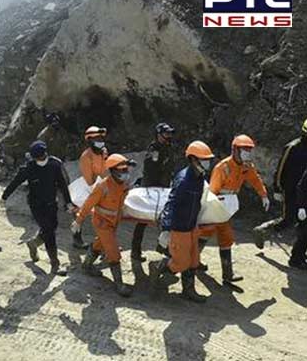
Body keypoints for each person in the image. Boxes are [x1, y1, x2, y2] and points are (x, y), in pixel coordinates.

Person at [197, 135, 269, 285]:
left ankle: (226, 274)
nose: (248, 153)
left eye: (249, 150)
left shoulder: (246, 166)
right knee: (206, 232)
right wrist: (209, 211)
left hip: (229, 205)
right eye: (245, 149)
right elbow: (212, 192)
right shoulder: (223, 168)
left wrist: (263, 195)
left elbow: (255, 179)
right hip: (217, 204)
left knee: (225, 237)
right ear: (235, 149)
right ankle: (192, 263)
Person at [149, 141, 215, 303]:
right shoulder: (183, 180)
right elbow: (171, 203)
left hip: (191, 225)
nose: (207, 163)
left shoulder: (199, 177)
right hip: (179, 228)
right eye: (203, 160)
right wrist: (166, 229)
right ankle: (157, 267)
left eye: (208, 160)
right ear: (193, 160)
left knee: (193, 260)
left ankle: (188, 290)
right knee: (181, 262)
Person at [1, 141, 75, 275]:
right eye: (38, 158)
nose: (41, 159)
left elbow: (62, 184)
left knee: (52, 227)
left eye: (42, 156)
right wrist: (4, 197)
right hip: (36, 205)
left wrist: (68, 202)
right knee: (49, 232)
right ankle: (55, 264)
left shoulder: (54, 165)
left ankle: (33, 244)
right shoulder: (28, 168)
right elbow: (15, 182)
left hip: (52, 203)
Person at [71, 154, 136, 297]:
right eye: (122, 171)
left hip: (113, 221)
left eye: (126, 170)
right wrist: (79, 220)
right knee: (113, 251)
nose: (125, 173)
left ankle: (87, 265)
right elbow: (88, 204)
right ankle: (119, 285)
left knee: (100, 244)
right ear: (113, 171)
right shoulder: (103, 187)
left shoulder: (123, 185)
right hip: (102, 222)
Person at [131, 122, 176, 262]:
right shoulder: (154, 149)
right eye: (166, 133)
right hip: (152, 188)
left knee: (164, 217)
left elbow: (168, 167)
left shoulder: (168, 147)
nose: (169, 136)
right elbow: (151, 169)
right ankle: (135, 251)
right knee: (143, 220)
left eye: (170, 133)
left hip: (164, 186)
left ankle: (163, 246)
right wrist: (153, 189)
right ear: (158, 134)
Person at [269, 119, 307, 269]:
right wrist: (277, 188)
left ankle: (298, 255)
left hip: (304, 191)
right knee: (289, 218)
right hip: (290, 189)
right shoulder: (292, 147)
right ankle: (266, 230)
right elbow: (281, 168)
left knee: (303, 224)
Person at [74, 126, 108, 249]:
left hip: (98, 183)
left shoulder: (103, 152)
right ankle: (77, 239)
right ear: (90, 141)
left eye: (101, 138)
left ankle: (104, 242)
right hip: (85, 186)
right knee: (81, 214)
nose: (100, 141)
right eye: (97, 138)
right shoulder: (85, 157)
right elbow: (89, 180)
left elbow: (105, 170)